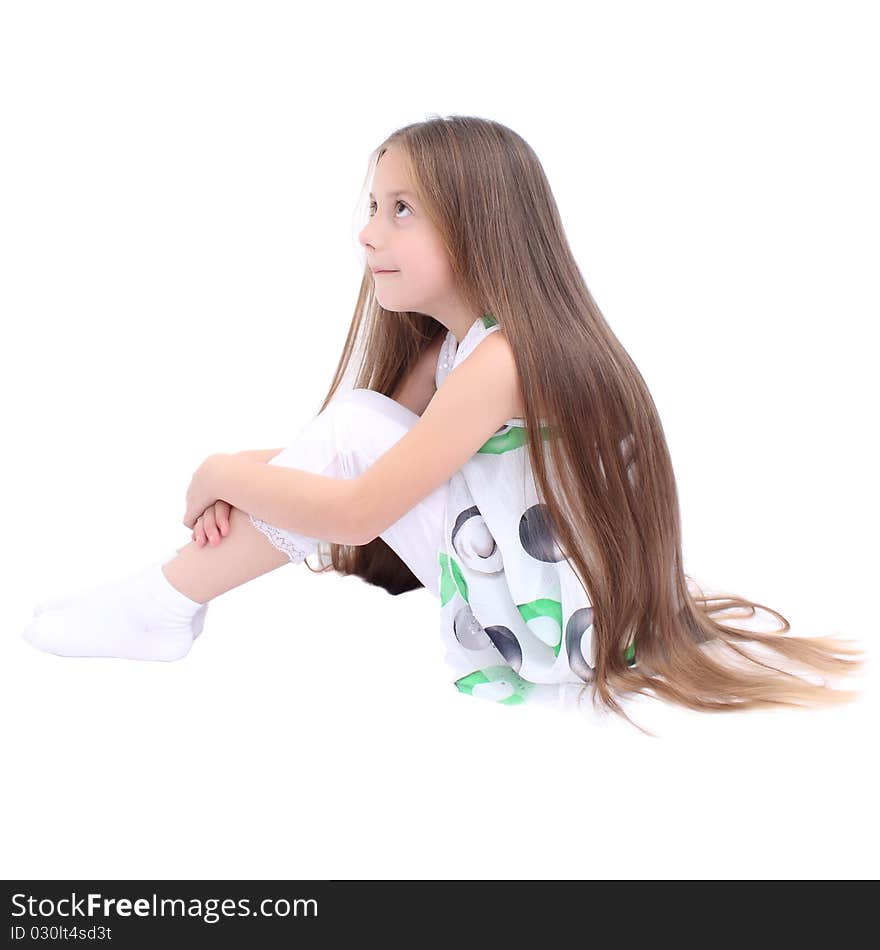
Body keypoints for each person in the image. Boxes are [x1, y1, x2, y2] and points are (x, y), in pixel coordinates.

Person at [22, 115, 866, 735]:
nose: (367, 233)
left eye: (400, 210)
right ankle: (161, 599)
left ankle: (165, 601)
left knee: (349, 421)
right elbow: (370, 466)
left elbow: (356, 506)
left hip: (549, 624)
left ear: (480, 224)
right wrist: (243, 475)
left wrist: (220, 470)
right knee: (345, 428)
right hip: (545, 591)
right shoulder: (460, 348)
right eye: (373, 205)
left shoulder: (505, 359)